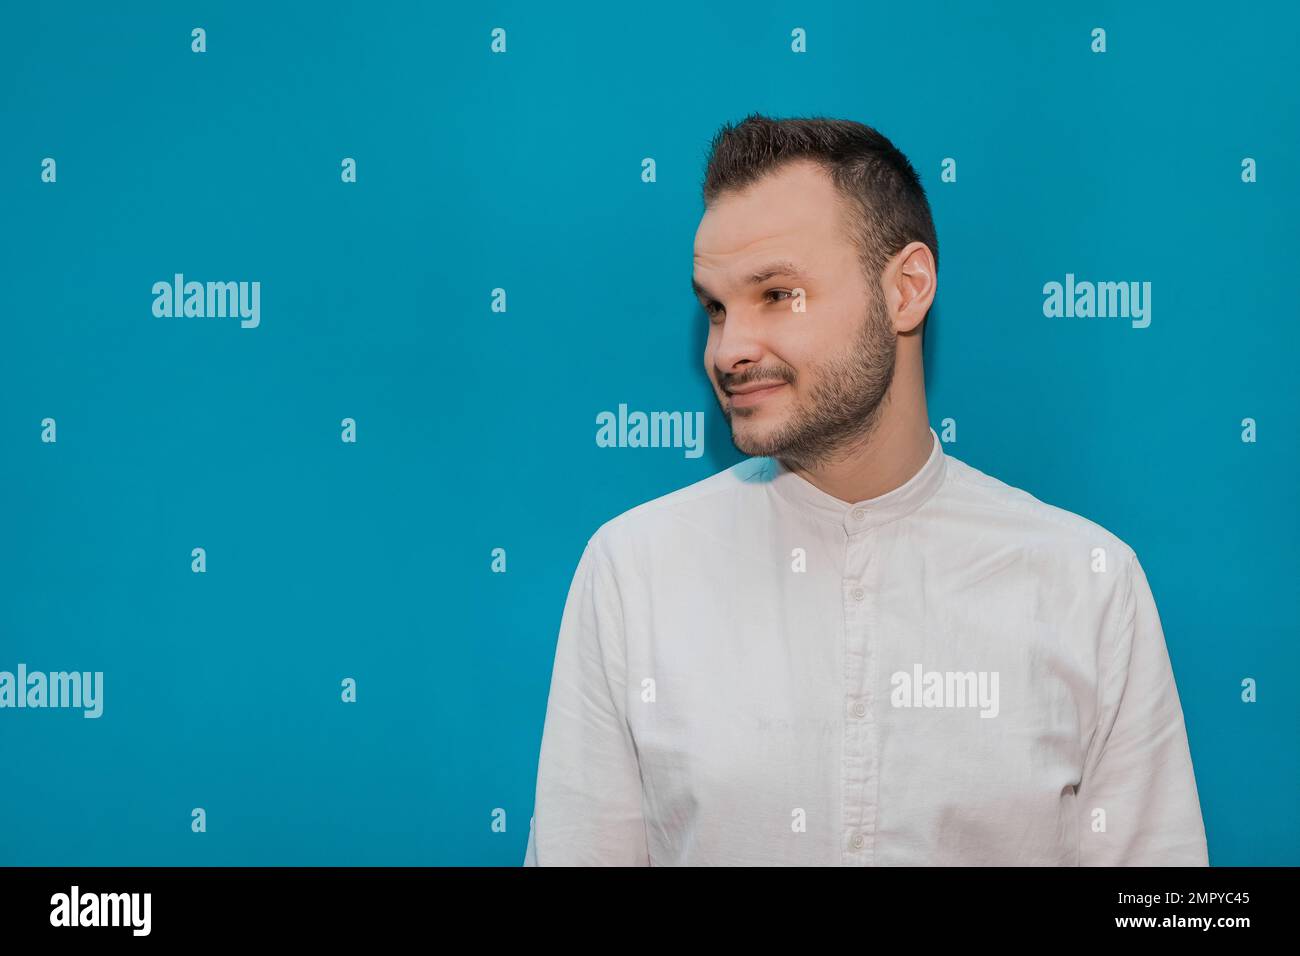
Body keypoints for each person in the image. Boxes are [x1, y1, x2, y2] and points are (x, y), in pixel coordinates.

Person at [523, 113, 1208, 866]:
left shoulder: (1087, 583)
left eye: (777, 294)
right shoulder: (633, 572)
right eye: (716, 307)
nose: (729, 349)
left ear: (907, 289)